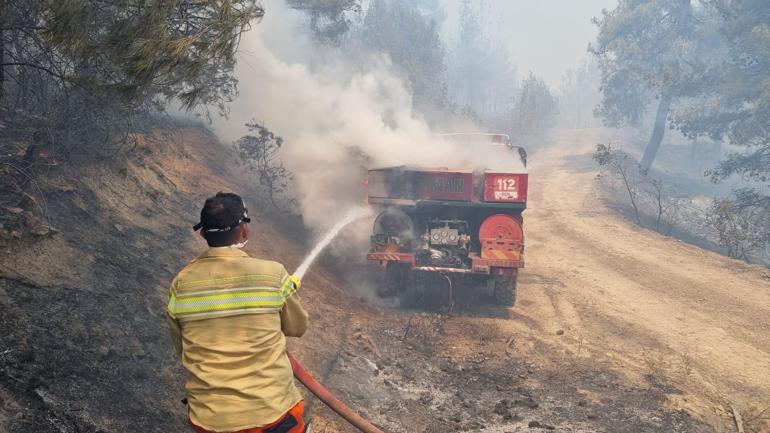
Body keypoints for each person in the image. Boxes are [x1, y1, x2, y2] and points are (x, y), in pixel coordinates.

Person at [166, 192, 309, 433]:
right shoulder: (273, 274)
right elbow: (298, 327)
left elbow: (183, 348)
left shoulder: (180, 284)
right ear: (244, 231)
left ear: (202, 233)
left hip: (209, 420)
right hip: (272, 415)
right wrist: (284, 291)